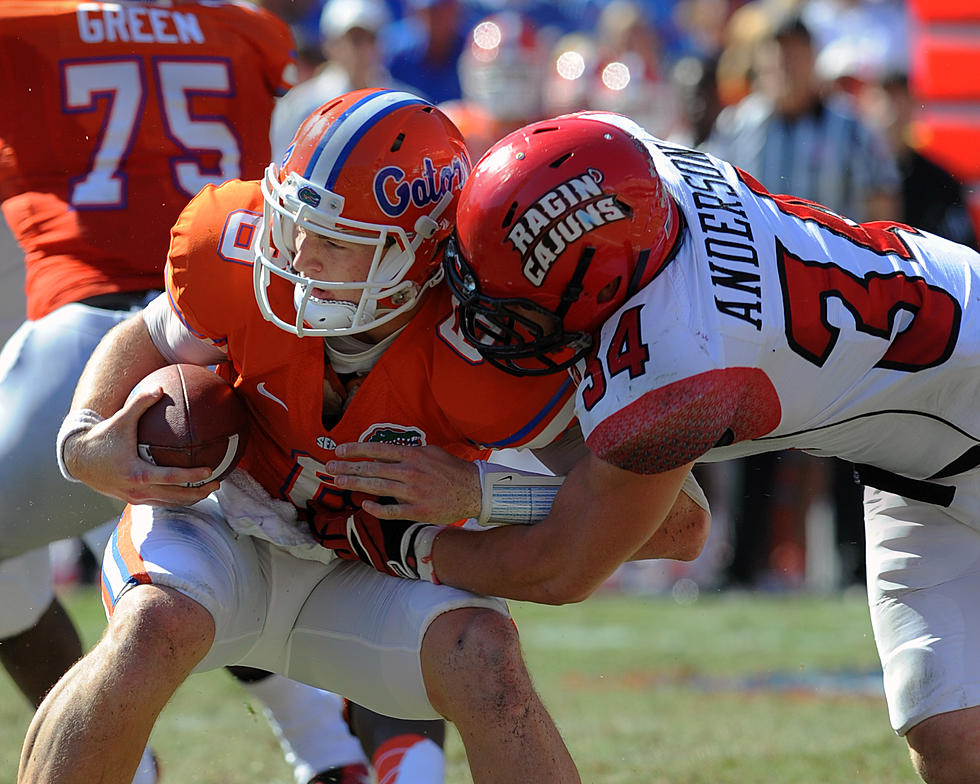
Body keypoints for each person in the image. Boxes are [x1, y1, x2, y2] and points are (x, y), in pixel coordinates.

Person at [319, 108, 980, 784]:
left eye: (514, 309)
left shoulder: (675, 358)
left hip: (966, 402)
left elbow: (566, 566)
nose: (477, 315)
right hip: (913, 455)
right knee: (951, 737)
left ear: (603, 290)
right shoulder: (621, 158)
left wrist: (403, 545)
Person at [17, 88, 587, 784]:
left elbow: (667, 524)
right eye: (295, 221)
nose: (298, 254)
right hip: (222, 522)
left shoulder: (487, 341)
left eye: (338, 241)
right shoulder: (240, 247)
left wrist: (480, 491)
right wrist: (83, 436)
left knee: (485, 656)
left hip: (372, 565)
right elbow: (147, 332)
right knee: (149, 629)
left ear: (422, 255)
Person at [0, 4, 405, 783]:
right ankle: (328, 749)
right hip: (231, 332)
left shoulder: (27, 23)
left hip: (89, 339)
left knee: (189, 568)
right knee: (228, 563)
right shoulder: (244, 27)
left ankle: (123, 758)